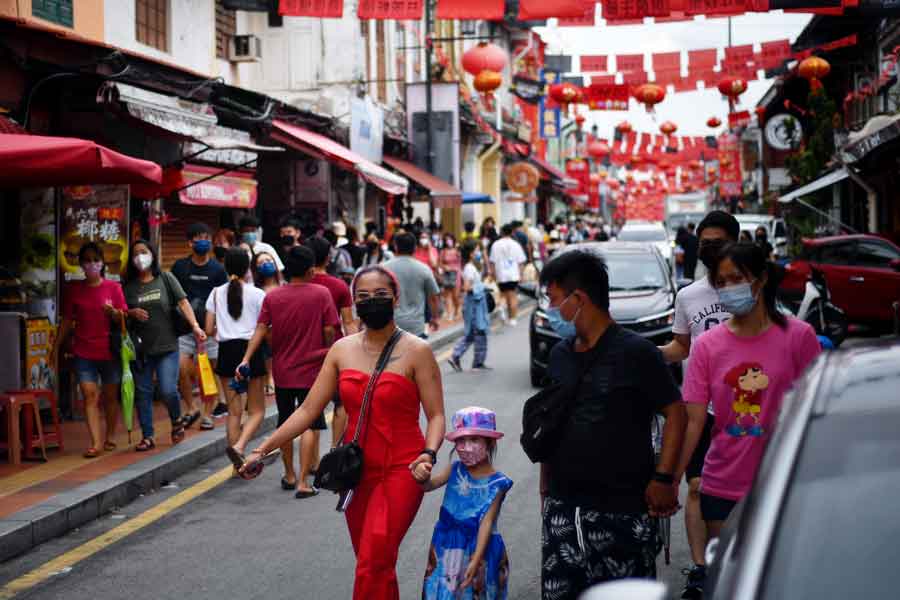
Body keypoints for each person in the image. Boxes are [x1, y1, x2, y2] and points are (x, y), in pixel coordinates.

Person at [239, 265, 446, 600]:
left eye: (380, 295)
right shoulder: (341, 350)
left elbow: (436, 416)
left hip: (403, 470)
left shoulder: (417, 351)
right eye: (363, 297)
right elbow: (307, 410)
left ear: (395, 297)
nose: (372, 302)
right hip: (357, 473)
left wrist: (429, 453)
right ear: (353, 302)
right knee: (373, 562)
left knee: (374, 560)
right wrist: (262, 450)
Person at [539, 249, 686, 596]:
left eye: (554, 299)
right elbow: (551, 420)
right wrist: (546, 488)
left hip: (624, 508)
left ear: (578, 299)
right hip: (563, 509)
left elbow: (676, 413)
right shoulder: (560, 354)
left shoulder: (637, 353)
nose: (550, 309)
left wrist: (664, 478)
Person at [678, 242, 820, 553]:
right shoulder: (707, 346)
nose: (729, 288)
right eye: (721, 282)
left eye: (737, 279)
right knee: (729, 575)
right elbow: (694, 421)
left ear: (761, 279)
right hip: (722, 483)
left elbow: (816, 413)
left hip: (784, 483)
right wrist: (669, 477)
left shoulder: (799, 337)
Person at [658, 210, 739, 600]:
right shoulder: (688, 296)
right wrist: (643, 353)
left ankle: (736, 562)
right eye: (704, 241)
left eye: (718, 241)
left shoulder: (750, 289)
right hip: (699, 409)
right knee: (696, 487)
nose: (709, 248)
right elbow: (681, 347)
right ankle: (701, 569)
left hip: (746, 408)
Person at [238, 246, 339, 497]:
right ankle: (304, 481)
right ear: (310, 270)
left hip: (283, 371)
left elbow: (262, 330)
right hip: (313, 369)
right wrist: (327, 349)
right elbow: (330, 330)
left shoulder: (272, 297)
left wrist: (247, 358)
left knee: (285, 421)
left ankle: (289, 474)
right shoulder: (321, 293)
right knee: (309, 424)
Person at [124, 240, 207, 451]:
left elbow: (183, 302)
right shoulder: (129, 286)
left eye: (144, 252)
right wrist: (130, 313)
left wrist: (195, 326)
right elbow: (120, 314)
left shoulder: (166, 278)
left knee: (168, 389)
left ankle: (176, 419)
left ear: (152, 254)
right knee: (143, 393)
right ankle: (148, 435)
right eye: (136, 253)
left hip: (167, 345)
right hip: (141, 349)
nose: (140, 257)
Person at [422, 407, 512, 599]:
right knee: (443, 592)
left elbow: (486, 523)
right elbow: (429, 486)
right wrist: (422, 476)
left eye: (474, 440)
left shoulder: (498, 484)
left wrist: (476, 558)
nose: (466, 446)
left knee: (471, 593)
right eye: (461, 440)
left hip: (477, 548)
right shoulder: (455, 469)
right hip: (446, 545)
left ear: (489, 442)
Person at [51, 242, 127, 458]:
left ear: (102, 263)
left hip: (109, 351)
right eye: (87, 260)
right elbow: (67, 320)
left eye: (96, 259)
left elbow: (123, 317)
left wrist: (114, 313)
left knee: (110, 397)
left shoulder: (114, 288)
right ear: (81, 264)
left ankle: (110, 435)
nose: (92, 264)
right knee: (89, 395)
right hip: (83, 350)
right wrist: (56, 346)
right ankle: (95, 442)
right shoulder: (74, 289)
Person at [206, 248, 267, 469]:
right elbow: (265, 327)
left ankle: (236, 467)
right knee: (257, 410)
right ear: (247, 268)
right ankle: (241, 446)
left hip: (226, 351)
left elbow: (208, 328)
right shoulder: (258, 294)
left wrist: (223, 332)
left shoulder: (215, 293)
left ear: (225, 266)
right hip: (251, 351)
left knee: (234, 411)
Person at [171, 223, 227, 431]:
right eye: (198, 238)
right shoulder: (179, 267)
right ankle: (191, 407)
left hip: (210, 332)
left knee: (208, 374)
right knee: (182, 369)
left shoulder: (218, 270)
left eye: (206, 237)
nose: (202, 241)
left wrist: (218, 327)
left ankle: (207, 414)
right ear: (190, 242)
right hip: (185, 330)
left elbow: (223, 300)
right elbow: (174, 297)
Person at [305, 235, 357, 448]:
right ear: (328, 258)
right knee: (341, 403)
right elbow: (349, 323)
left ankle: (312, 463)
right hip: (335, 351)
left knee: (310, 409)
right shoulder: (339, 286)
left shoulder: (300, 285)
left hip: (306, 352)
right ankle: (335, 450)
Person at [384, 232, 441, 337]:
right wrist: (435, 318)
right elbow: (433, 297)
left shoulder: (383, 269)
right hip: (416, 327)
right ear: (415, 248)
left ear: (395, 247)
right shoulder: (423, 269)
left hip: (390, 325)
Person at [448, 245, 490, 372]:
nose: (479, 252)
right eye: (476, 250)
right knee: (479, 332)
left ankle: (459, 357)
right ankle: (474, 362)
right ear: (471, 254)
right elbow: (466, 287)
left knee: (473, 334)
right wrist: (482, 287)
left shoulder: (472, 266)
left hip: (476, 305)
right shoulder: (469, 268)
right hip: (474, 306)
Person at [252, 251, 282, 395]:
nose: (266, 264)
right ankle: (270, 379)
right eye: (261, 262)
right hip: (264, 328)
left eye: (269, 260)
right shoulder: (255, 290)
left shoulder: (285, 285)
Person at [488, 224, 527, 326]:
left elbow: (492, 262)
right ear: (512, 232)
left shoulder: (496, 245)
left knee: (503, 294)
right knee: (512, 295)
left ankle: (501, 308)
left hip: (501, 273)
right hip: (513, 273)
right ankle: (512, 318)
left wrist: (493, 274)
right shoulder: (515, 244)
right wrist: (521, 274)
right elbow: (521, 261)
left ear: (501, 232)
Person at [439, 233, 462, 321]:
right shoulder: (443, 251)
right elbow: (440, 263)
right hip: (447, 274)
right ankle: (450, 313)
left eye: (450, 239)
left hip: (456, 274)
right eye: (446, 240)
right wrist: (444, 267)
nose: (448, 241)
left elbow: (460, 262)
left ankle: (457, 309)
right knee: (447, 294)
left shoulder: (457, 251)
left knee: (455, 295)